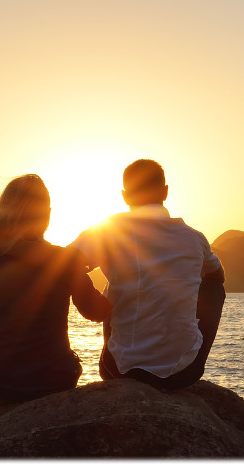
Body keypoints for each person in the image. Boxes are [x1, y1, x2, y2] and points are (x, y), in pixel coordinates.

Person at [0, 174, 111, 413]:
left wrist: (11, 350)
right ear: (47, 214)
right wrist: (109, 278)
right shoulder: (67, 260)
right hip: (54, 381)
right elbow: (96, 312)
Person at [70, 159, 226, 390]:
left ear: (124, 196)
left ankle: (129, 349)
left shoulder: (107, 231)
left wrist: (90, 304)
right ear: (165, 192)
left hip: (119, 370)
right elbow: (217, 276)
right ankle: (180, 348)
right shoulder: (194, 238)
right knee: (214, 289)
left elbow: (63, 265)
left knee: (110, 287)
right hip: (183, 373)